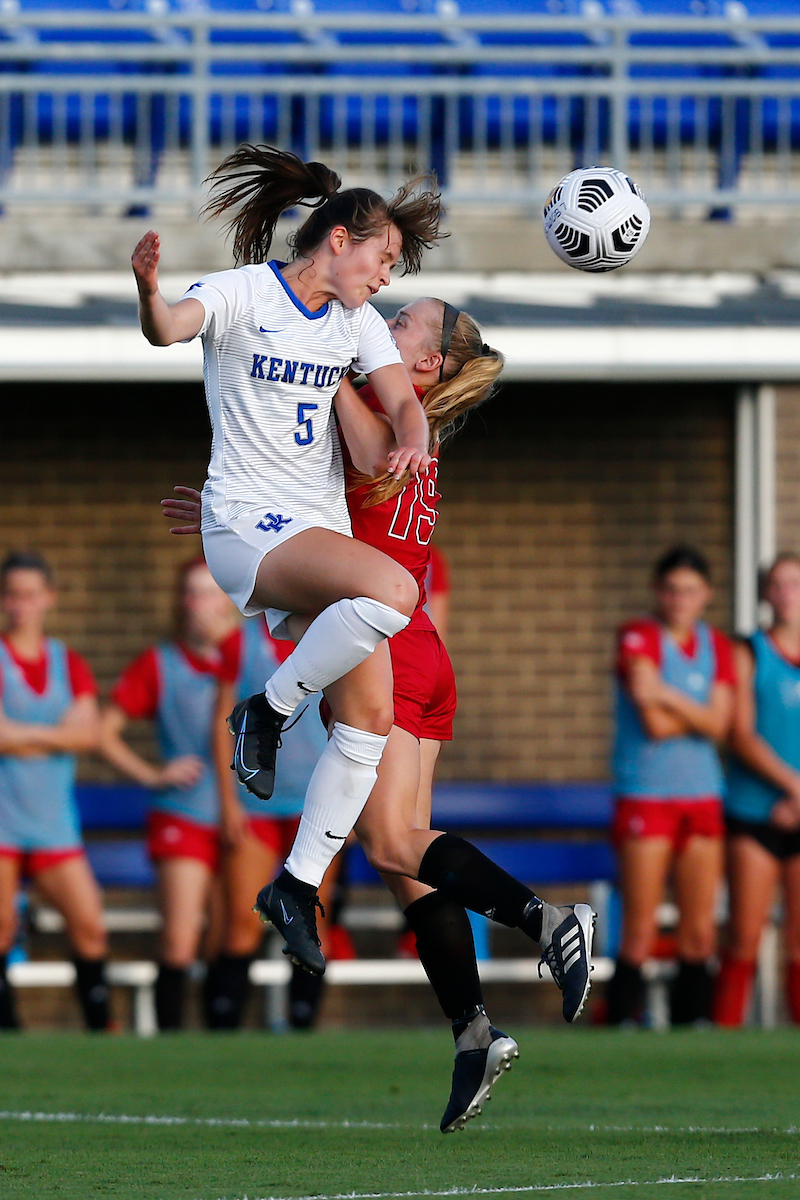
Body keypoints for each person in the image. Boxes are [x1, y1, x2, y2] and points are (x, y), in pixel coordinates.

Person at [137, 145, 593, 1015]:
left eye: (402, 301)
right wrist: (150, 294)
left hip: (344, 580)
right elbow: (176, 332)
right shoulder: (256, 297)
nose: (387, 288)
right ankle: (270, 722)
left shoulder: (353, 339)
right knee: (394, 817)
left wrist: (402, 419)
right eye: (385, 263)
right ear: (340, 239)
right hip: (328, 573)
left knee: (381, 785)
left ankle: (295, 872)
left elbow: (387, 411)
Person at [164, 294, 594, 1131]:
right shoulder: (407, 423)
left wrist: (325, 350)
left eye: (400, 324)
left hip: (382, 647)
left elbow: (328, 448)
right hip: (414, 644)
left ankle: (549, 921)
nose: (381, 324)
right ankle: (474, 1034)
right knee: (406, 860)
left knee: (392, 841)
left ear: (427, 362)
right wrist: (231, 512)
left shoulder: (377, 413)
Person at [99, 557, 238, 1030]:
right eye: (191, 592)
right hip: (184, 813)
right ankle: (169, 1046)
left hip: (242, 818)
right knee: (180, 941)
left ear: (230, 600)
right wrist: (154, 774)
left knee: (227, 938)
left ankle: (222, 1049)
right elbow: (103, 733)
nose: (198, 603)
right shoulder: (161, 663)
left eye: (209, 592)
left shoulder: (255, 659)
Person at [606, 545, 736, 1027]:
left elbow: (722, 725)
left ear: (706, 595)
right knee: (640, 927)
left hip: (703, 794)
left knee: (699, 932)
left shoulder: (716, 645)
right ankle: (621, 1022)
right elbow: (656, 724)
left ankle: (692, 1027)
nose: (680, 600)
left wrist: (665, 692)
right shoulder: (638, 636)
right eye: (672, 590)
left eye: (690, 591)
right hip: (647, 793)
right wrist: (699, 715)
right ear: (657, 592)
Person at [204, 615, 339, 1031]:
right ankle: (222, 1036)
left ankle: (302, 1033)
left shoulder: (337, 632)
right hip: (254, 806)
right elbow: (221, 725)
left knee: (311, 922)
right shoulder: (239, 643)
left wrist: (349, 802)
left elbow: (352, 719)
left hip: (316, 804)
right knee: (243, 921)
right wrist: (227, 801)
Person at [0, 550, 109, 1032]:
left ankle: (102, 1035)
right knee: (1, 930)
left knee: (90, 928)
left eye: (30, 594)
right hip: (4, 822)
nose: (20, 604)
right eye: (11, 594)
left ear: (49, 598)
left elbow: (89, 735)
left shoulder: (69, 662)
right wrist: (57, 734)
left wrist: (19, 735)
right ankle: (10, 1037)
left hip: (53, 825)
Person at [715, 552, 800, 1026]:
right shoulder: (749, 651)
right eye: (778, 584)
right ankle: (721, 1042)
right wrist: (793, 786)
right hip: (755, 812)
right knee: (745, 937)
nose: (787, 594)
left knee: (798, 945)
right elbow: (741, 733)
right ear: (766, 593)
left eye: (796, 583)